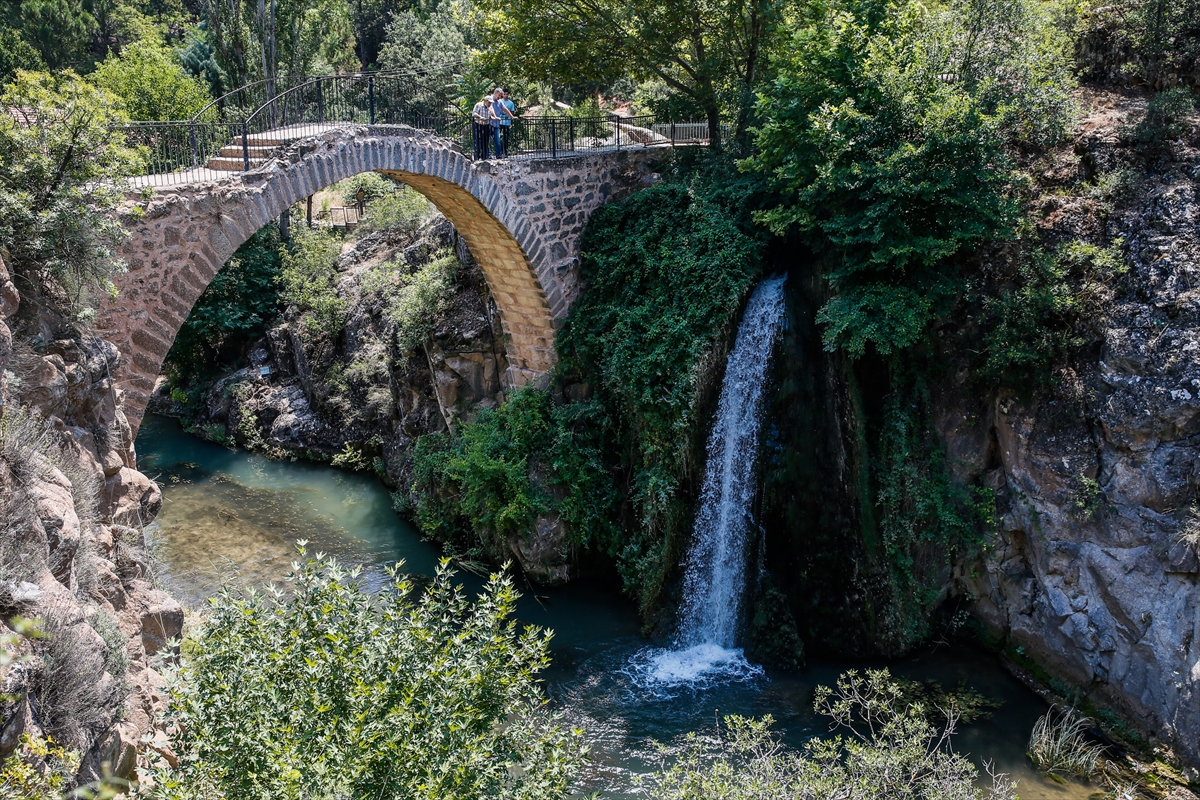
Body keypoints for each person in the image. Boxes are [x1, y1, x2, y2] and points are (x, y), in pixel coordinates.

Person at [489, 88, 506, 158]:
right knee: (488, 140)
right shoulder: (489, 99)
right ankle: (488, 154)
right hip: (489, 123)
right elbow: (491, 109)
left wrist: (512, 116)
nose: (499, 97)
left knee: (497, 140)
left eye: (500, 96)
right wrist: (495, 117)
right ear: (495, 93)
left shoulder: (500, 101)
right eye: (499, 95)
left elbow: (505, 108)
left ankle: (498, 155)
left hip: (496, 124)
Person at [499, 89, 516, 157]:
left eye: (507, 94)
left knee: (506, 137)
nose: (505, 95)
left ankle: (505, 152)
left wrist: (508, 111)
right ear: (502, 95)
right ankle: (499, 151)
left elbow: (512, 112)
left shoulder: (511, 103)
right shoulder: (500, 101)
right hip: (500, 122)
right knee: (498, 137)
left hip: (507, 122)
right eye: (504, 94)